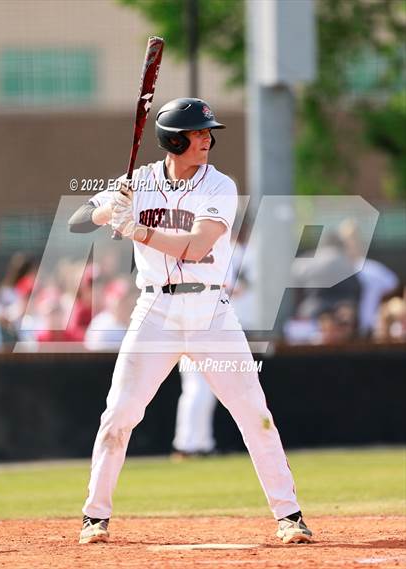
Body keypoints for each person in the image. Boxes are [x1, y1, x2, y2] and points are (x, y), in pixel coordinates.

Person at [69, 98, 312, 545]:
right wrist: (112, 206)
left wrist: (136, 229)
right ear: (173, 139)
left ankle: (289, 515)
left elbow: (198, 247)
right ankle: (94, 517)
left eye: (206, 132)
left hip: (211, 315)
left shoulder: (219, 185)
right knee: (119, 414)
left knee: (255, 415)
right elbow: (77, 222)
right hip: (154, 313)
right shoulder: (138, 181)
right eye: (198, 133)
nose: (207, 140)